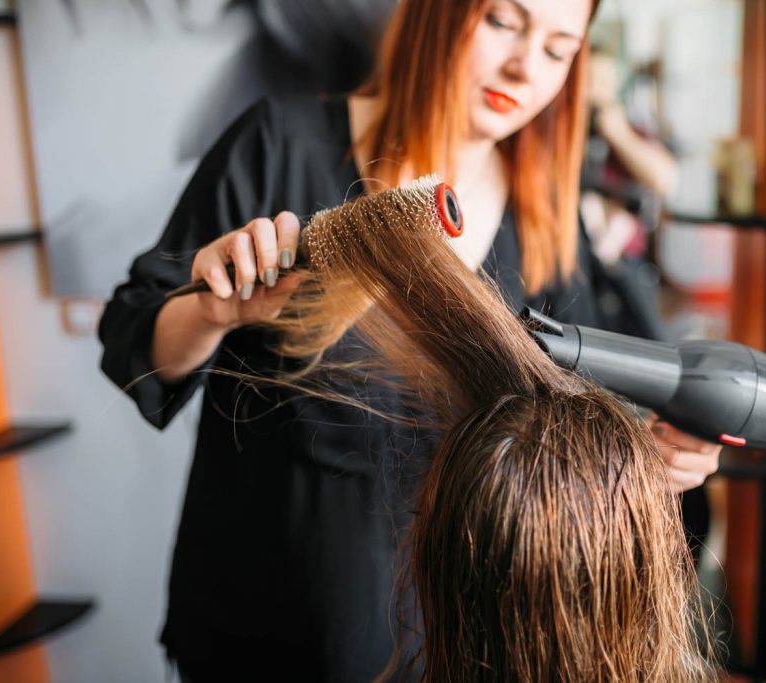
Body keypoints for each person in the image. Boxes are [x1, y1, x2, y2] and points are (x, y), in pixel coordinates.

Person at [98, 0, 721, 679]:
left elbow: (567, 426)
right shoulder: (278, 144)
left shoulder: (547, 223)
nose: (523, 65)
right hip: (259, 631)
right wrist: (213, 313)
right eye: (504, 22)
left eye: (557, 48)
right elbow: (134, 344)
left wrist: (657, 453)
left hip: (450, 644)